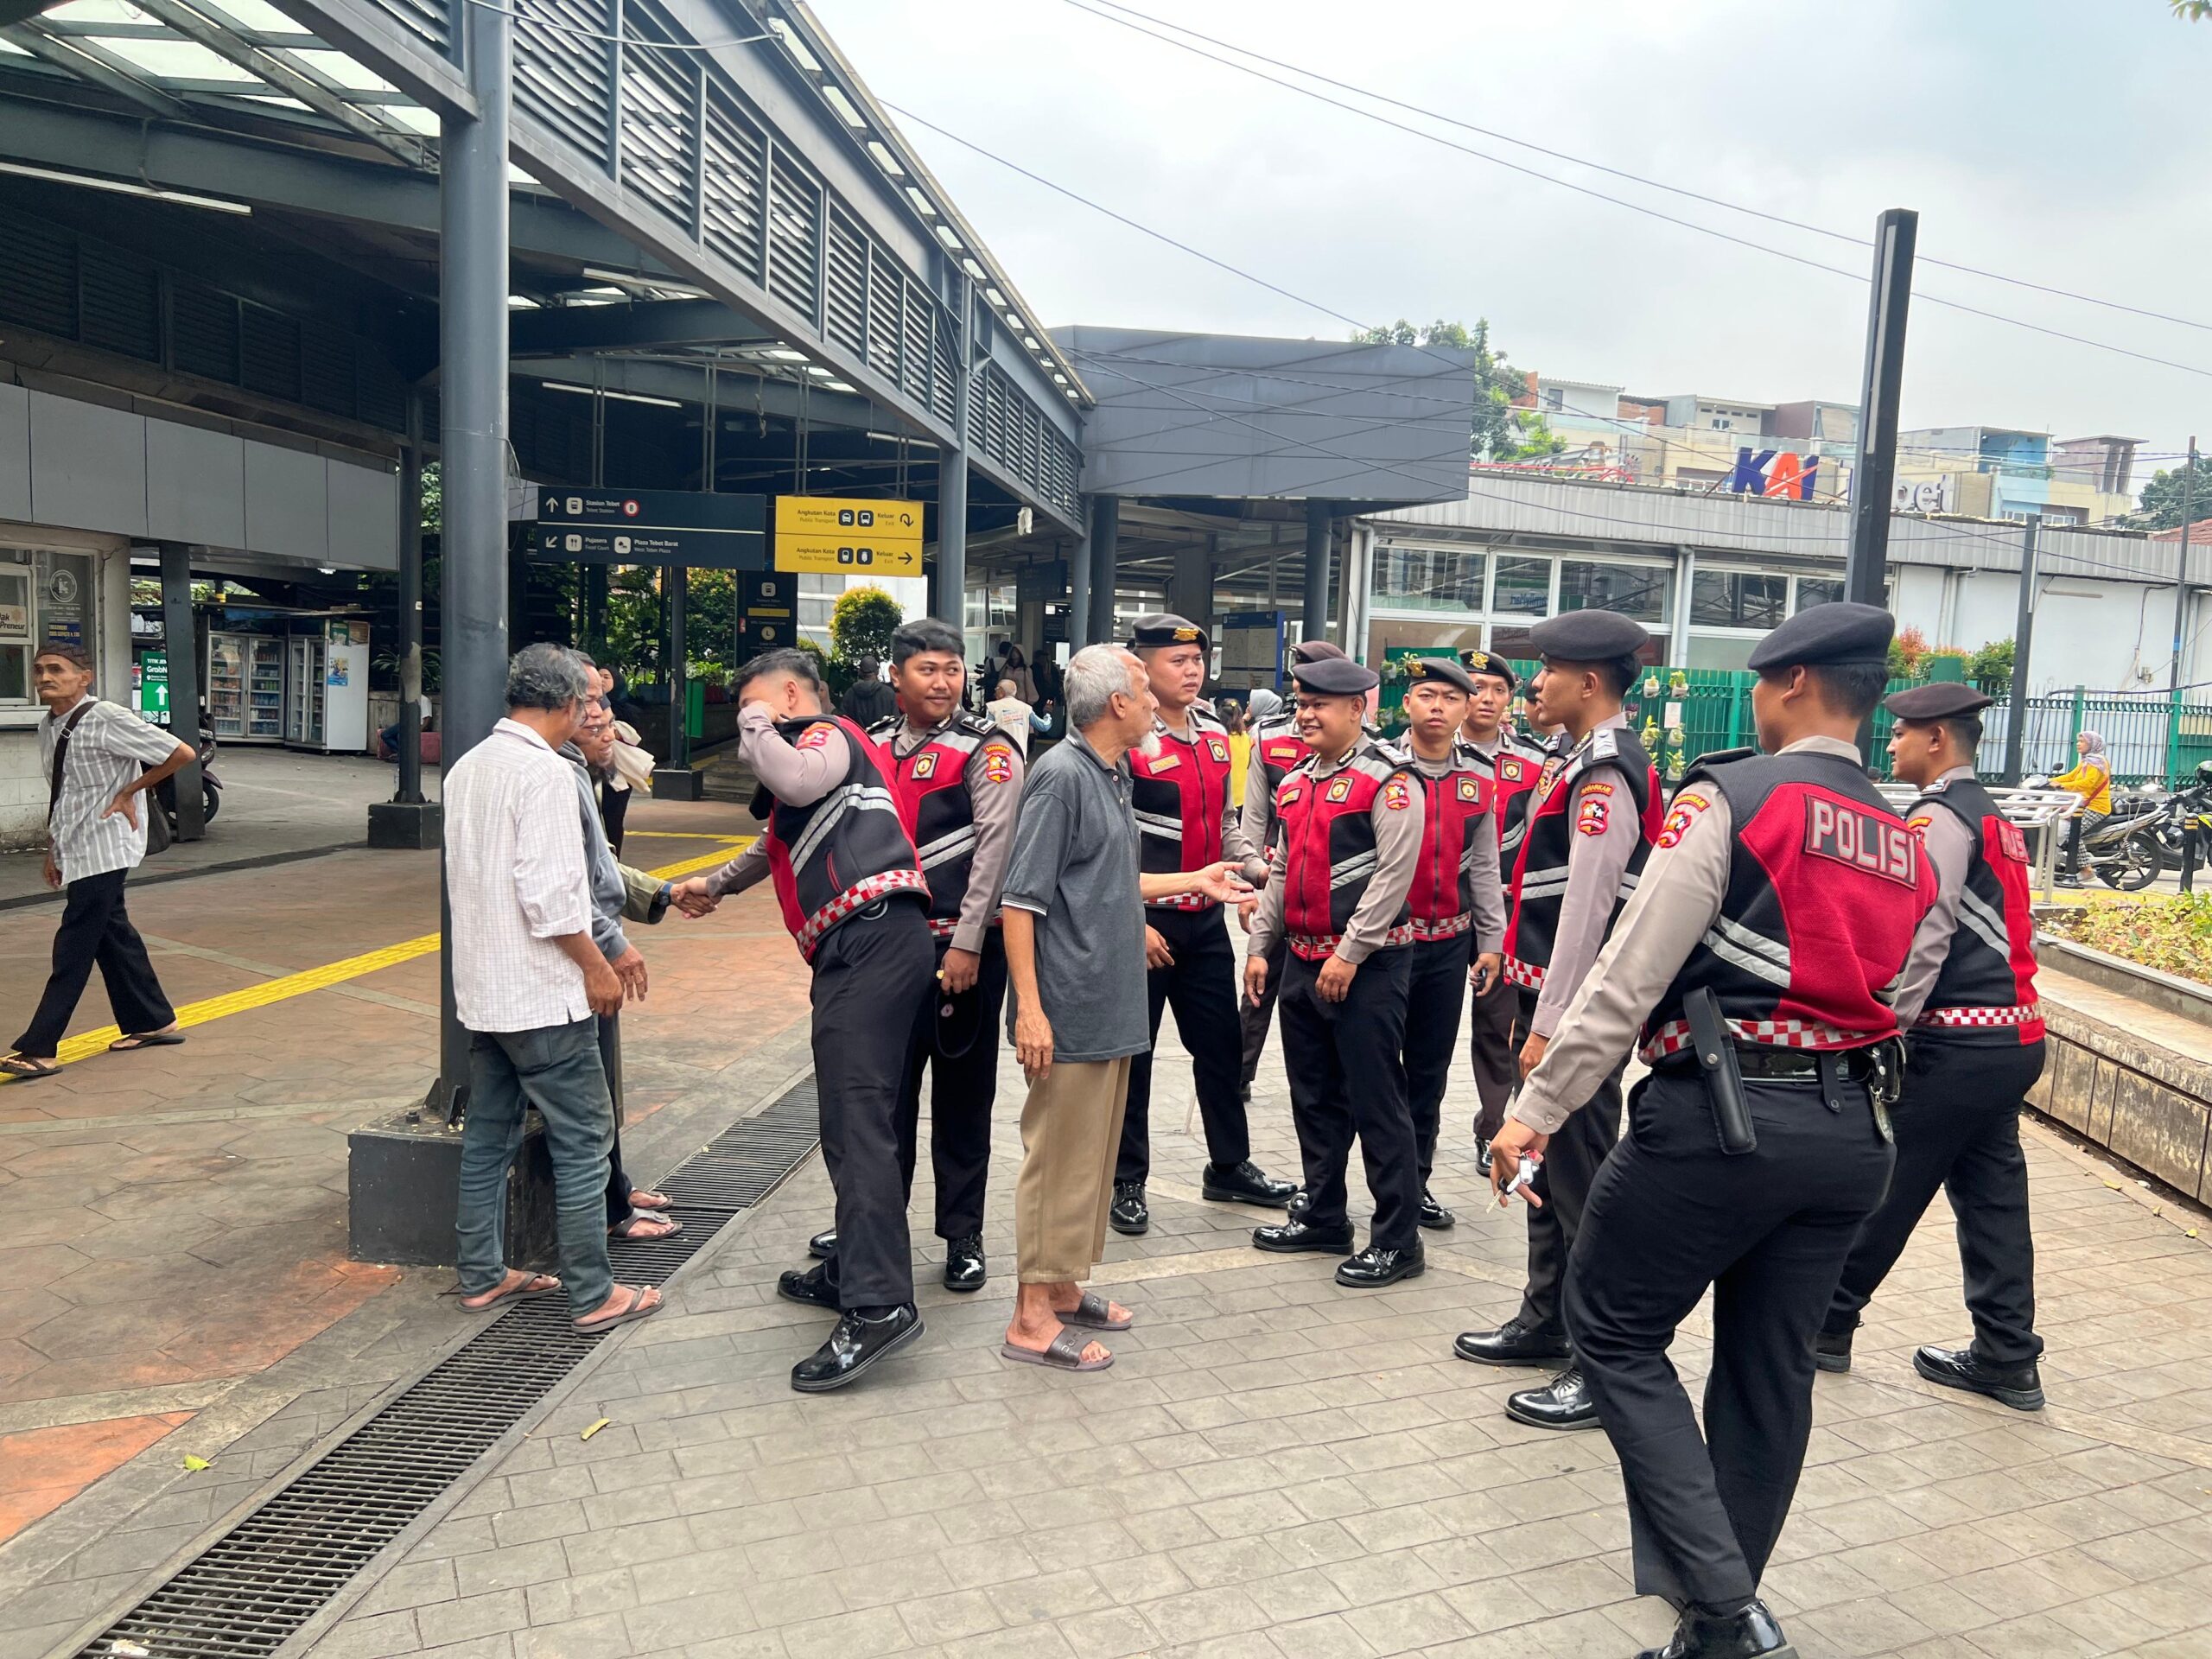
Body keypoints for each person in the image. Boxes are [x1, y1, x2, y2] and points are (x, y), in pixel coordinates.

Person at [1490, 602, 1933, 1659]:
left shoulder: (1733, 796)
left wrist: (1533, 1114)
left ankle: (1725, 1608)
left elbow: (1627, 971)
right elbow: (1903, 990)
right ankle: (1719, 1617)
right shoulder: (1903, 834)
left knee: (1611, 1330)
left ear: (1787, 686)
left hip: (1721, 1119)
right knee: (1768, 1371)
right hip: (1852, 1133)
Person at [673, 647, 932, 1392]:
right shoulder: (825, 765)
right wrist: (716, 884)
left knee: (858, 1122)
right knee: (850, 1118)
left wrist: (757, 719)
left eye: (753, 706)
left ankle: (880, 1304)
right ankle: (854, 1268)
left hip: (874, 937)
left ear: (789, 695)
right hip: (862, 944)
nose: (748, 726)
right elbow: (774, 840)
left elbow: (791, 776)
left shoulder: (828, 737)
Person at [998, 645, 1249, 1371]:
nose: (1156, 705)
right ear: (1117, 705)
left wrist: (1194, 879)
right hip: (1070, 1006)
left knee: (1090, 1160)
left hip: (1110, 1004)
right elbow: (1021, 902)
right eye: (1144, 692)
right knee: (1057, 1160)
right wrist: (1031, 1012)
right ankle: (1029, 1317)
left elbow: (1109, 880)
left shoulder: (1107, 774)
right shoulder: (1061, 778)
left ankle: (1064, 1287)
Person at [1454, 612, 1661, 1435]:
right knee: (1544, 1173)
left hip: (1570, 1016)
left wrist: (1552, 1025)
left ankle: (1595, 1358)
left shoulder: (1605, 771)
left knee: (1579, 1185)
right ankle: (1546, 1319)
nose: (1532, 685)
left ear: (1590, 682)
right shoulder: (1572, 761)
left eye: (1547, 671)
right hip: (1545, 1001)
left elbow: (1587, 910)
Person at [1819, 682, 2048, 1410]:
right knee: (1994, 1202)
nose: (1891, 746)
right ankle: (2007, 1355)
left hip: (1955, 1045)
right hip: (2014, 1039)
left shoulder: (1940, 818)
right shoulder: (1994, 819)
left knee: (1887, 1186)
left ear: (1936, 740)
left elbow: (1926, 932)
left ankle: (1825, 1326)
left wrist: (1887, 1025)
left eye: (1900, 736)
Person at [787, 617, 1020, 1303]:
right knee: (882, 1103)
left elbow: (996, 849)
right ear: (896, 678)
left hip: (960, 950)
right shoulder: (868, 747)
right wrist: (717, 884)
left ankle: (963, 1235)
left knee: (962, 1096)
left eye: (953, 669)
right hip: (885, 955)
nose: (943, 682)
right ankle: (877, 1232)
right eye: (928, 670)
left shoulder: (987, 749)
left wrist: (972, 942)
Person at [444, 645, 658, 1334]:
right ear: (567, 705)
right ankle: (593, 1293)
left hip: (486, 990)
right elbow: (548, 896)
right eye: (588, 704)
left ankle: (481, 1273)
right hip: (542, 992)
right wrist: (597, 964)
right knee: (585, 1136)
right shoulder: (543, 774)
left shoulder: (469, 767)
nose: (592, 716)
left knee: (490, 1136)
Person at [1243, 652, 1427, 1286]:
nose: (1306, 713)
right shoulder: (1296, 780)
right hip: (1300, 959)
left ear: (1357, 709)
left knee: (1377, 1102)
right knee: (1313, 1097)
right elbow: (1281, 870)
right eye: (1300, 702)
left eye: (1319, 704)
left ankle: (1398, 1240)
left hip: (1367, 968)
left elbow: (1393, 875)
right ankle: (1323, 1214)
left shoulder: (1391, 779)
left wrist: (1350, 954)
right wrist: (1260, 949)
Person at [1111, 613, 1294, 1236]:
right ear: (1143, 666)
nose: (1192, 672)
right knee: (1134, 1056)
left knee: (1220, 1048)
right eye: (1177, 662)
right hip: (1146, 923)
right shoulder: (1127, 737)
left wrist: (1251, 869)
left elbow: (1226, 822)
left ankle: (1229, 1165)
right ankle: (1126, 1179)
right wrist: (1131, 919)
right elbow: (1109, 842)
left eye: (1197, 662)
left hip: (1203, 923)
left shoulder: (1217, 734)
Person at [5, 644, 195, 1081]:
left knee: (74, 943)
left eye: (56, 670)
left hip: (107, 843)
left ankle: (39, 1047)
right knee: (112, 933)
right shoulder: (48, 725)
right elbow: (63, 792)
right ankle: (152, 1019)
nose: (45, 678)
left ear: (84, 677)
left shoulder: (106, 717)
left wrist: (130, 790)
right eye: (39, 671)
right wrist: (54, 849)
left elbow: (180, 753)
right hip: (76, 843)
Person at [1395, 658, 1506, 1230]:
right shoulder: (1381, 771)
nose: (1437, 706)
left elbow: (1485, 868)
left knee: (1429, 1071)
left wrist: (1492, 939)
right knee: (1368, 1071)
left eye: (1449, 698)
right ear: (1407, 704)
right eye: (1425, 695)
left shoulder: (1478, 781)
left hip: (1446, 948)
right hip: (1386, 946)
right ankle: (1336, 1191)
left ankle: (1415, 1183)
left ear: (1466, 710)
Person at [568, 695, 679, 1243]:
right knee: (587, 1107)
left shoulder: (581, 773)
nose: (604, 723)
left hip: (577, 954)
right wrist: (609, 947)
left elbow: (601, 867)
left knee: (600, 1089)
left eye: (609, 715)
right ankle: (599, 1247)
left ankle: (616, 1190)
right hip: (566, 966)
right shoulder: (556, 776)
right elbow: (563, 886)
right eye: (590, 709)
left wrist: (665, 892)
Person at [1229, 645, 1351, 1103]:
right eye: (1300, 687)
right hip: (1275, 883)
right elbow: (1252, 820)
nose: (1305, 702)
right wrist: (1249, 885)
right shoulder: (1269, 738)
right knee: (1259, 983)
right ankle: (1239, 1072)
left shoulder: (1367, 746)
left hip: (1332, 896)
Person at [1459, 649, 1547, 1174]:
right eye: (1475, 687)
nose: (1485, 698)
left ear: (1510, 698)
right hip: (1442, 912)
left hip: (1508, 917)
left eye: (1496, 689)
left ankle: (1493, 1127)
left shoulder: (1533, 762)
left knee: (1500, 1027)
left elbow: (1539, 840)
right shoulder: (1431, 754)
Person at [2053, 728, 2112, 886]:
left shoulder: (2096, 763)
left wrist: (2062, 786)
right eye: (2078, 741)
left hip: (2096, 807)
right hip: (2082, 804)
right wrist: (2048, 781)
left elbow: (2087, 784)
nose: (2078, 744)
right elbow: (2071, 776)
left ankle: (2087, 870)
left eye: (2082, 742)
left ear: (2092, 744)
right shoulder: (2087, 761)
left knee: (2073, 833)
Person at [983, 677, 1051, 756]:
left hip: (998, 753)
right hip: (1019, 755)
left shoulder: (993, 707)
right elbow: (1044, 726)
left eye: (996, 690)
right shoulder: (1026, 708)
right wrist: (1047, 714)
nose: (994, 693)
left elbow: (986, 730)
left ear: (1001, 691)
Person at [838, 655, 897, 726]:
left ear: (859, 671)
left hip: (857, 736)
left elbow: (843, 722)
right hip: (884, 735)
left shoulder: (850, 694)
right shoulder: (888, 693)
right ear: (877, 671)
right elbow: (896, 721)